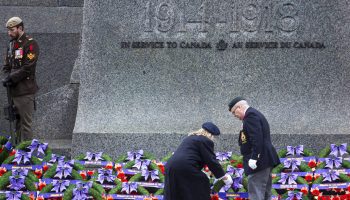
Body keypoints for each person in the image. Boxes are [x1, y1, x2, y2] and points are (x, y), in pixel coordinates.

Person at [164, 122, 233, 200]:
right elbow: (211, 160)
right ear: (210, 135)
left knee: (175, 192)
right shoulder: (205, 140)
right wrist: (224, 177)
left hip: (170, 166)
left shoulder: (190, 138)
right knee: (202, 181)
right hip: (184, 167)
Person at [228, 97, 280, 200]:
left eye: (234, 112)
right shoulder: (253, 114)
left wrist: (254, 157)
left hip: (258, 162)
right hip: (264, 159)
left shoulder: (250, 116)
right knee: (265, 193)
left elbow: (257, 138)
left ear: (239, 107)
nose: (235, 116)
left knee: (256, 193)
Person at [1, 17, 39, 142]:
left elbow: (28, 67)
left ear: (20, 28)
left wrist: (11, 77)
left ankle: (27, 155)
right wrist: (6, 77)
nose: (9, 33)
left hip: (25, 91)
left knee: (25, 125)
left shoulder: (30, 44)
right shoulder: (11, 45)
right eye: (8, 30)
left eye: (12, 30)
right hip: (13, 91)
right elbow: (7, 66)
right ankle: (17, 152)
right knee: (16, 123)